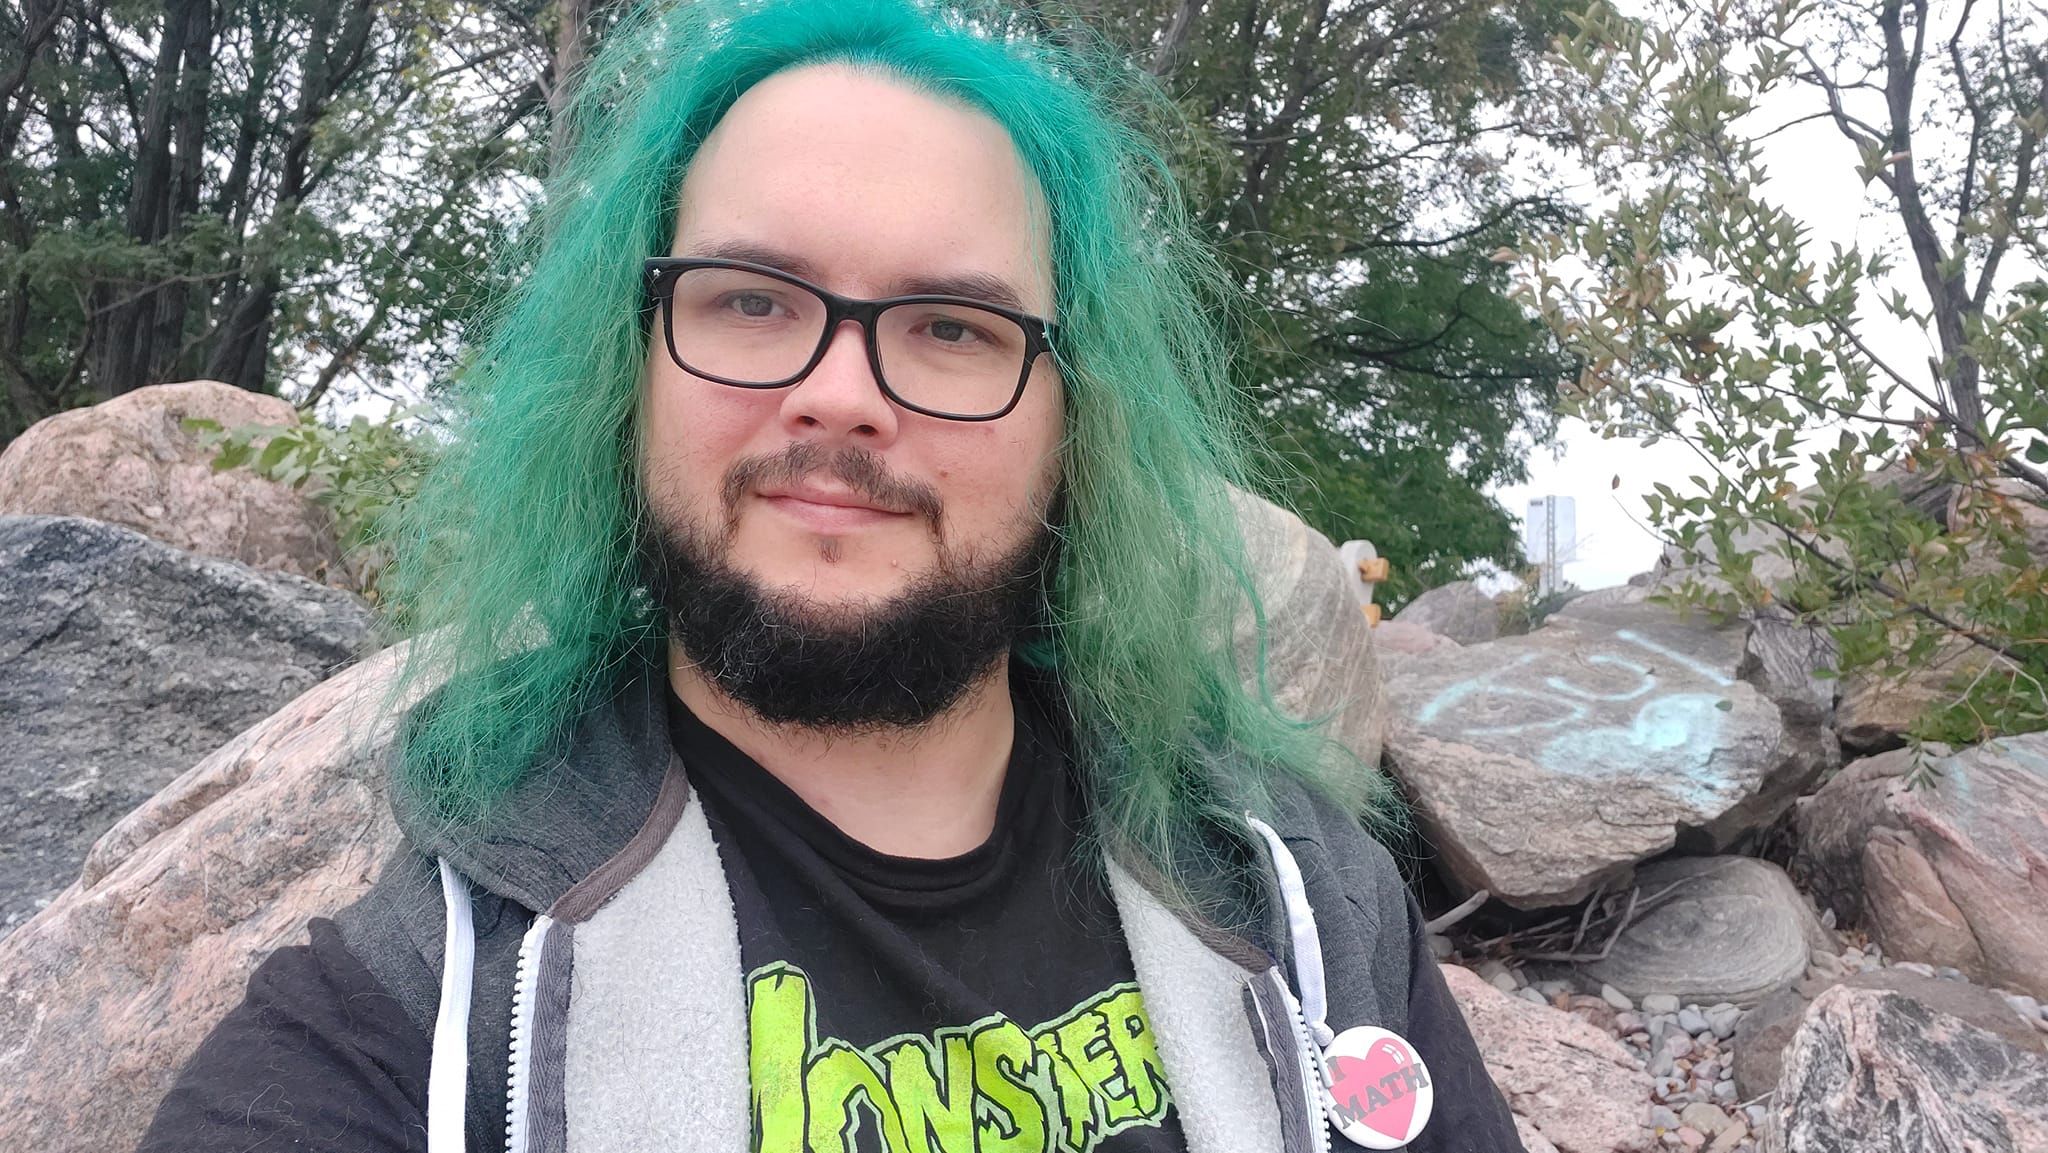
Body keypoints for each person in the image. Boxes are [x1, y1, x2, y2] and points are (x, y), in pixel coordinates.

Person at [140, 2, 1523, 1150]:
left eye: (952, 327)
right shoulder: (429, 1021)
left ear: (1076, 426)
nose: (842, 392)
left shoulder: (1312, 912)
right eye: (751, 300)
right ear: (624, 378)